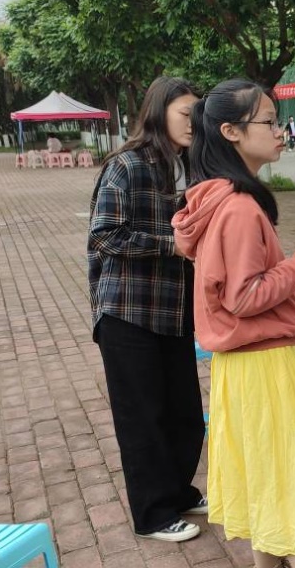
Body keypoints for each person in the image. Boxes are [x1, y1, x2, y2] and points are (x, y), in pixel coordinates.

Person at [172, 79, 295, 568]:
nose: (279, 131)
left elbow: (235, 287)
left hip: (244, 371)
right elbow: (245, 296)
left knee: (273, 498)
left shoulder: (217, 200)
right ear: (230, 131)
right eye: (269, 121)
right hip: (269, 372)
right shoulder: (239, 208)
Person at [87, 76, 207, 543]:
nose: (193, 123)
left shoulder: (187, 166)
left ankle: (177, 492)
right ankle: (153, 514)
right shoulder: (127, 165)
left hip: (174, 311)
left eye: (197, 115)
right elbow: (105, 235)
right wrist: (170, 244)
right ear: (159, 113)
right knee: (143, 418)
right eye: (185, 114)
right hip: (127, 312)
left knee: (183, 413)